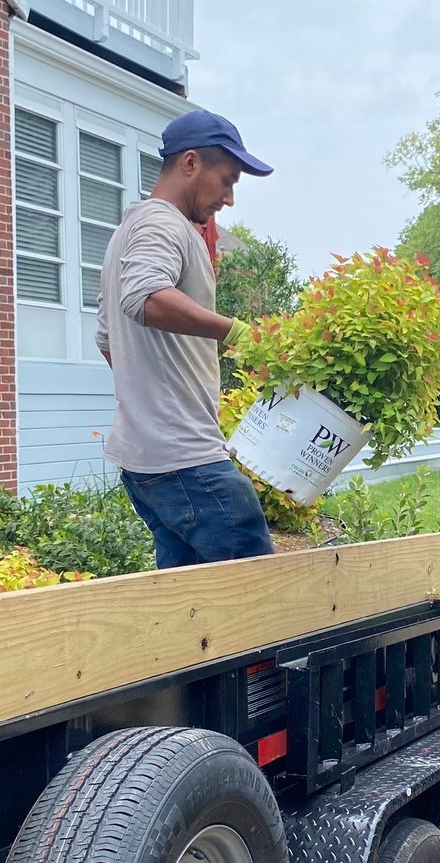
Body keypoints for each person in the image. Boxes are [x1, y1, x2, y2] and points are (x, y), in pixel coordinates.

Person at [97, 109, 274, 568]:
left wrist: (153, 395)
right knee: (260, 596)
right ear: (190, 163)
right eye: (227, 180)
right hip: (186, 459)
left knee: (189, 609)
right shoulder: (164, 224)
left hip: (147, 460)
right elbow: (146, 298)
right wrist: (236, 332)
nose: (230, 198)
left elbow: (106, 339)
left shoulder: (125, 233)